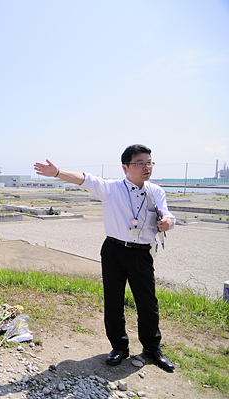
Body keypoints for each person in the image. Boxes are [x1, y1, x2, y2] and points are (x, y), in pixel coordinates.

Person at [34, 144, 175, 372]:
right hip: (114, 251)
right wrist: (58, 172)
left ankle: (152, 348)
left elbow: (167, 214)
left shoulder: (156, 191)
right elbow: (86, 179)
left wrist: (168, 222)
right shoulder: (112, 189)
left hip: (141, 252)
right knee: (113, 301)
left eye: (149, 162)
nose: (146, 167)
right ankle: (119, 347)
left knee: (148, 303)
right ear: (125, 167)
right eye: (140, 163)